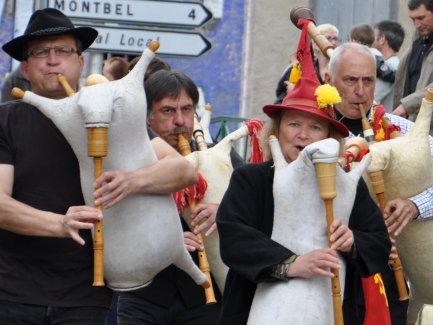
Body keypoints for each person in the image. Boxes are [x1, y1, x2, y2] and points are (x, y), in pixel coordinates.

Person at [0, 8, 197, 325]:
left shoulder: (105, 114)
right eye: (41, 53)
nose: (53, 60)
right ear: (25, 66)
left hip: (86, 297)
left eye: (63, 50)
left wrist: (133, 180)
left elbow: (183, 171)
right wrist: (60, 224)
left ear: (80, 61)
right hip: (12, 293)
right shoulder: (6, 120)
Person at [216, 20, 391, 325]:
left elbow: (378, 242)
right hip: (252, 311)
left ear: (327, 138)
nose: (303, 136)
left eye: (314, 128)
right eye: (294, 125)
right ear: (277, 129)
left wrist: (351, 241)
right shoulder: (253, 179)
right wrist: (292, 263)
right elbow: (234, 239)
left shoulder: (344, 183)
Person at [116, 69, 245, 324]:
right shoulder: (127, 160)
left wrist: (224, 210)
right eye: (168, 111)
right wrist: (164, 238)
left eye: (187, 110)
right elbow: (112, 224)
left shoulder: (217, 156)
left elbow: (255, 206)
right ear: (147, 118)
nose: (180, 121)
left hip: (205, 298)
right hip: (143, 295)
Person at [324, 41, 433, 324]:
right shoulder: (310, 131)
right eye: (350, 80)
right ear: (329, 80)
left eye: (368, 81)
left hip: (386, 269)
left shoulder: (400, 131)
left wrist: (415, 205)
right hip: (325, 268)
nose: (360, 90)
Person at [393, 0, 433, 135]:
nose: (417, 24)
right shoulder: (419, 40)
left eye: (421, 18)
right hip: (413, 125)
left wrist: (406, 105)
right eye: (413, 19)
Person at [275, 23, 341, 103]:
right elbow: (281, 100)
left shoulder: (342, 69)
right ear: (316, 44)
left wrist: (300, 92)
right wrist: (293, 93)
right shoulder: (299, 69)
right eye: (328, 38)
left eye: (336, 39)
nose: (334, 43)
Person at [372, 20, 406, 110]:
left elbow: (373, 98)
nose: (369, 39)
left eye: (372, 36)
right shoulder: (395, 64)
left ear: (382, 39)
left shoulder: (390, 66)